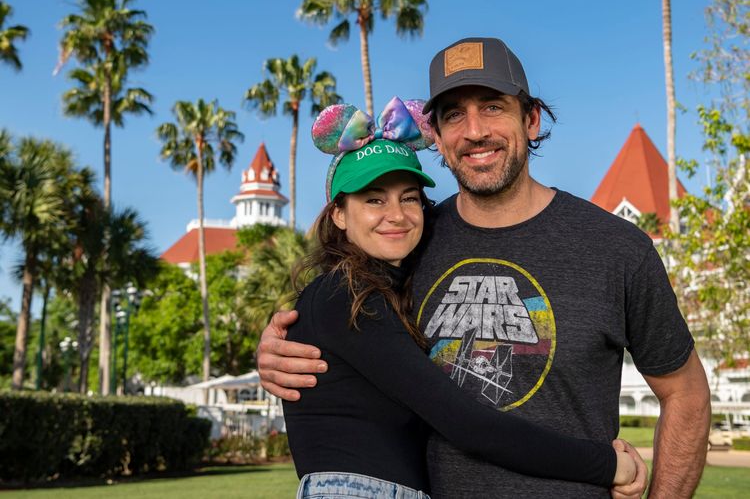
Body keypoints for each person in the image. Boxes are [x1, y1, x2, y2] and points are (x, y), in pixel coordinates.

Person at [259, 37, 711, 498]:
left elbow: (686, 395)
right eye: (453, 114)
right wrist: (281, 343)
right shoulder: (407, 241)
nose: (474, 131)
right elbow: (343, 317)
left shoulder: (617, 249)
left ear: (531, 119)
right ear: (434, 134)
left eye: (493, 107)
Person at [285, 96, 642, 499]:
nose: (397, 214)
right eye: (373, 199)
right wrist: (608, 465)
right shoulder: (344, 296)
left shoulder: (377, 293)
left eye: (409, 197)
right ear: (338, 214)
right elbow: (469, 425)